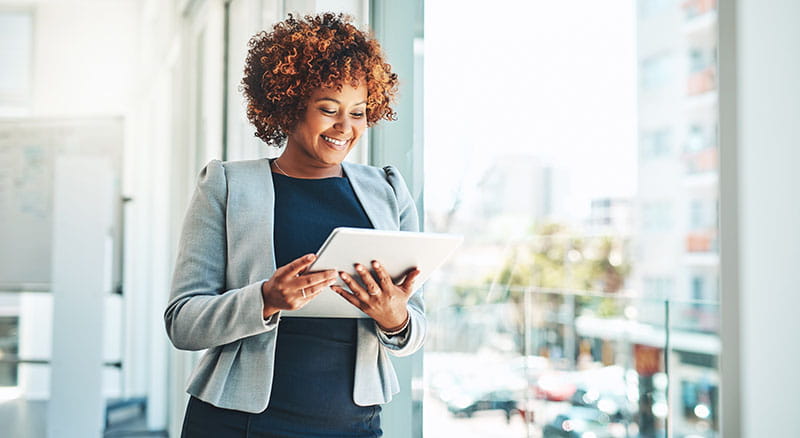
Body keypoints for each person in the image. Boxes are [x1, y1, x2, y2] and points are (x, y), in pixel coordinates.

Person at [164, 12, 425, 438]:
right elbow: (183, 321)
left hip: (353, 425)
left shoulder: (389, 191)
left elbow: (414, 327)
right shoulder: (227, 186)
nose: (345, 127)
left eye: (358, 112)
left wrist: (395, 318)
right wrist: (265, 298)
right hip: (238, 423)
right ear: (288, 105)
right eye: (328, 109)